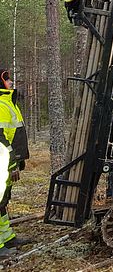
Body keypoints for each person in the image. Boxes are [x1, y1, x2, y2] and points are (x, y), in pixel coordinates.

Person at [0, 68, 30, 256]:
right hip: (2, 161)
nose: (11, 82)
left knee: (3, 202)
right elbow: (1, 137)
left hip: (7, 161)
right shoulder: (1, 104)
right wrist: (11, 161)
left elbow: (15, 135)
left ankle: (7, 237)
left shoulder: (8, 102)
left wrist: (16, 162)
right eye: (7, 80)